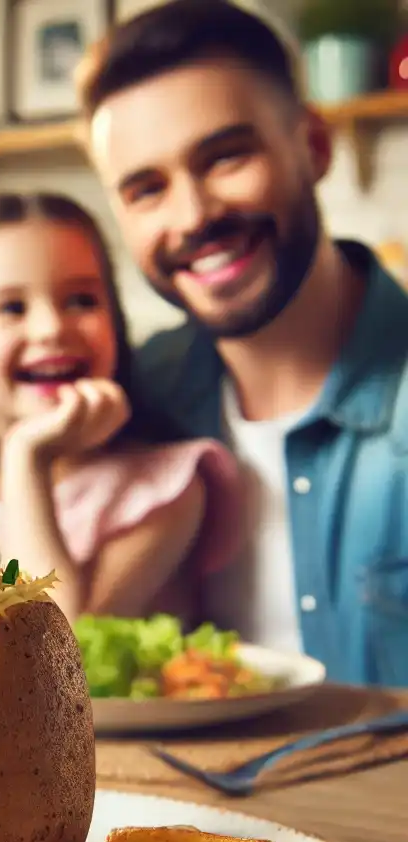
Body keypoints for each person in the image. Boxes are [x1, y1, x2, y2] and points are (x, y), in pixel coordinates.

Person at [77, 0, 408, 686]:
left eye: (226, 157)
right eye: (146, 190)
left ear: (313, 147)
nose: (193, 216)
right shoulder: (137, 394)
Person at [0, 191, 241, 623]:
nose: (52, 327)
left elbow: (58, 651)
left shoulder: (166, 490)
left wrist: (26, 457)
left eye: (81, 301)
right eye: (11, 308)